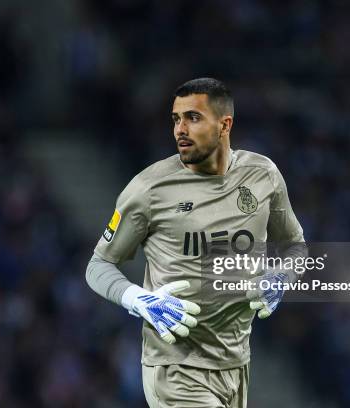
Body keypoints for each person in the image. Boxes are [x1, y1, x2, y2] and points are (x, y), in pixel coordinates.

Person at [86, 78, 307, 407]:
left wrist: (281, 277)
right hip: (175, 367)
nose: (180, 130)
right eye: (176, 119)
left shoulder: (264, 176)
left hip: (235, 365)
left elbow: (295, 246)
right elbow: (99, 265)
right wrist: (138, 299)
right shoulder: (149, 189)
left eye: (193, 118)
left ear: (224, 125)